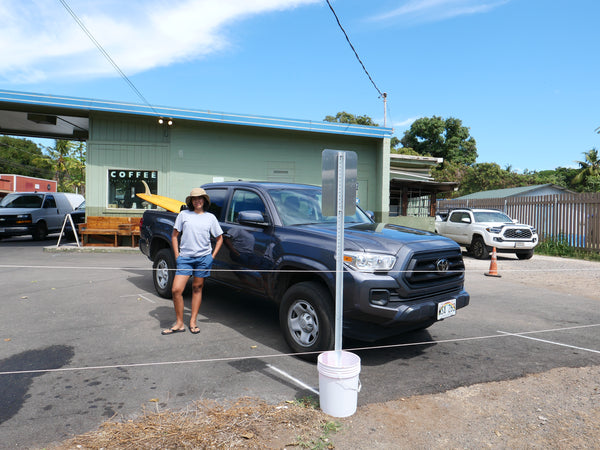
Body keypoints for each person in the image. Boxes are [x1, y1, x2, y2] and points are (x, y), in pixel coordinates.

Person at [162, 187, 223, 335]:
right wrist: (177, 255)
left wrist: (212, 256)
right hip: (185, 258)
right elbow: (174, 236)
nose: (198, 201)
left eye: (200, 198)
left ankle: (193, 321)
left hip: (203, 259)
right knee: (176, 290)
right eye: (195, 199)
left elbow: (220, 238)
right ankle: (179, 323)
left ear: (205, 200)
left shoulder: (210, 218)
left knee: (197, 288)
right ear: (191, 201)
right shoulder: (183, 215)